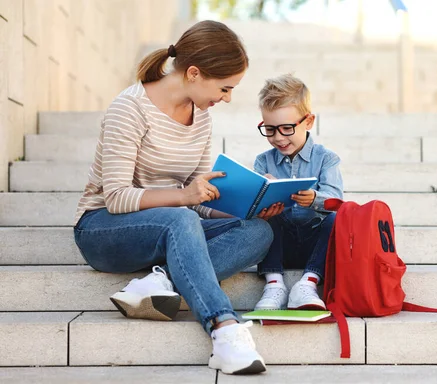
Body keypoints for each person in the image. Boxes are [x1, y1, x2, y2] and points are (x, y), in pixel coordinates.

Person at [73, 20, 278, 375]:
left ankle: (159, 282)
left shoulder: (202, 118)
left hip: (172, 227)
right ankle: (224, 330)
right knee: (181, 218)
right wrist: (185, 196)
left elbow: (195, 198)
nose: (227, 99)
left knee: (258, 231)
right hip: (102, 229)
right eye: (225, 88)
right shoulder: (130, 108)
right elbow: (117, 198)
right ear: (195, 73)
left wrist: (246, 205)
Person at [252, 74, 344, 311]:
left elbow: (336, 202)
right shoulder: (263, 162)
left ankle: (308, 283)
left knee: (335, 219)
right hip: (279, 244)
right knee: (264, 221)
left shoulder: (326, 159)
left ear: (308, 121)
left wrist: (314, 199)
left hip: (315, 244)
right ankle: (274, 284)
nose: (279, 138)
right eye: (270, 130)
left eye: (287, 128)